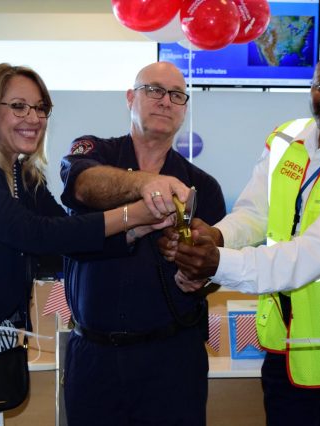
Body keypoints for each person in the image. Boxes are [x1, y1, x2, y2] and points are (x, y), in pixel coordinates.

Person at [0, 63, 168, 425]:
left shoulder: (25, 177)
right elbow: (33, 234)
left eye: (40, 108)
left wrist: (134, 232)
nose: (33, 117)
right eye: (19, 106)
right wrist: (131, 214)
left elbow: (61, 244)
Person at [161, 47, 320, 425]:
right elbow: (254, 214)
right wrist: (217, 236)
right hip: (283, 350)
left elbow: (309, 256)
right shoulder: (285, 140)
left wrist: (219, 263)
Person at [59, 61, 226, 426]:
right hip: (93, 358)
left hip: (172, 361)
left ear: (184, 109)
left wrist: (197, 276)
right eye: (154, 90)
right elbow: (82, 186)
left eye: (177, 95)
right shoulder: (94, 154)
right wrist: (145, 185)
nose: (166, 101)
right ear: (131, 97)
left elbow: (213, 265)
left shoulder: (203, 187)